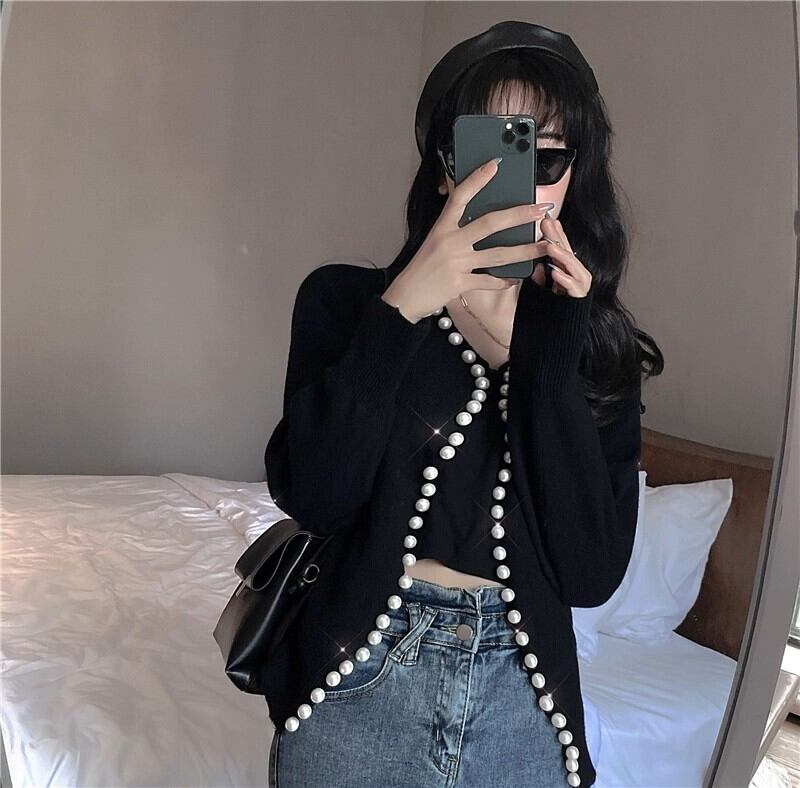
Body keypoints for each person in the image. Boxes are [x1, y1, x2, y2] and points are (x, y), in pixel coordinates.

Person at [264, 21, 661, 788]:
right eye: (495, 151)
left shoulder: (593, 345)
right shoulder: (345, 303)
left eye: (548, 156)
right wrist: (403, 307)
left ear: (573, 177)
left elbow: (589, 574)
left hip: (524, 705)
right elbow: (315, 494)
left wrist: (550, 355)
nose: (521, 179)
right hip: (358, 683)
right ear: (446, 168)